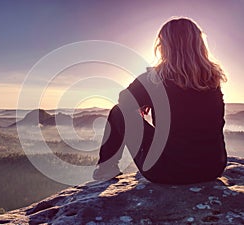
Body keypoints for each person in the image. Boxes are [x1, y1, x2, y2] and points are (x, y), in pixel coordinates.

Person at [93, 17, 227, 184]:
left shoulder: (156, 78)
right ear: (199, 44)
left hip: (168, 172)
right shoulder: (212, 78)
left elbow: (124, 99)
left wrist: (144, 101)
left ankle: (106, 169)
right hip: (212, 168)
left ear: (164, 47)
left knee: (119, 112)